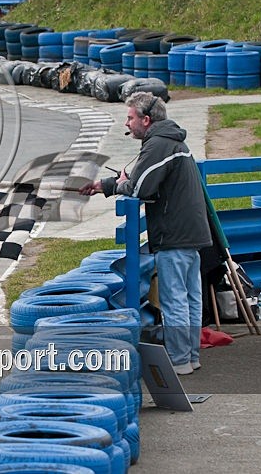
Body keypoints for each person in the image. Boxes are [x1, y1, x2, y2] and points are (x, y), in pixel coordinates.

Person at [79, 92, 211, 376]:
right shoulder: (172, 140)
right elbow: (139, 180)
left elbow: (140, 189)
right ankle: (190, 356)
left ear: (146, 119)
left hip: (174, 234)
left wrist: (120, 185)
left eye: (130, 118)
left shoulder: (158, 144)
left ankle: (179, 361)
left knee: (175, 299)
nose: (127, 124)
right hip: (191, 233)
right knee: (190, 298)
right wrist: (103, 185)